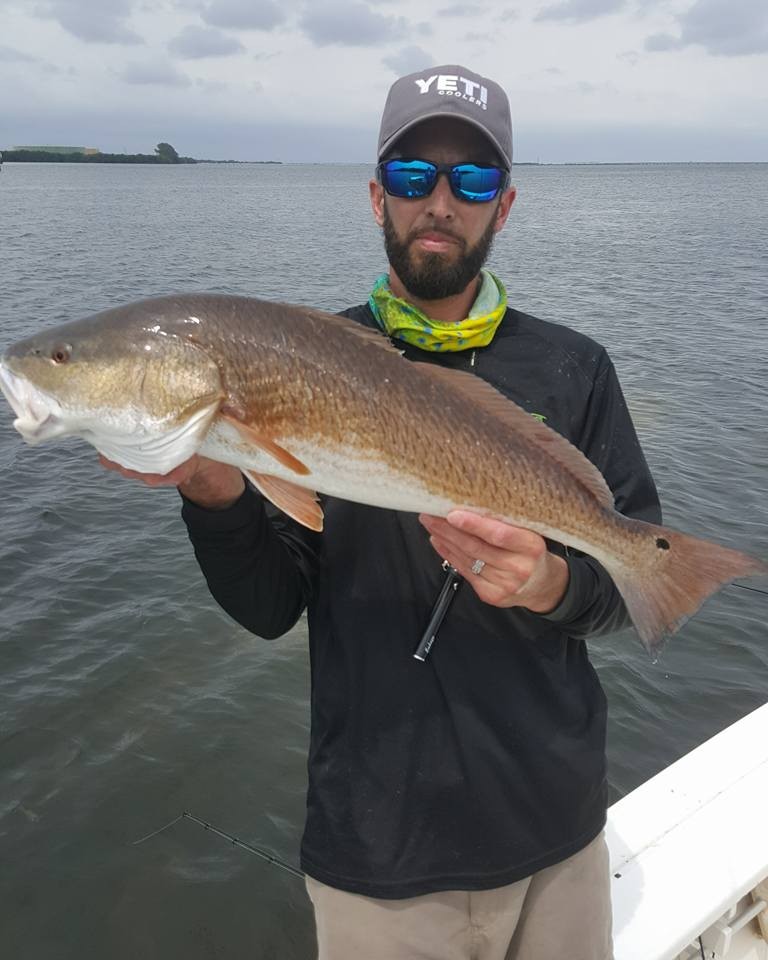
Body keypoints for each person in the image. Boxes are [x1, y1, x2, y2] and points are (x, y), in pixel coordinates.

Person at [102, 65, 660, 960]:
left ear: (503, 208)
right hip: (379, 844)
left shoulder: (576, 369)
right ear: (376, 197)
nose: (440, 201)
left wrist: (552, 581)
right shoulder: (296, 359)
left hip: (555, 828)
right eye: (412, 176)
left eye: (470, 180)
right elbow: (271, 606)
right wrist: (215, 492)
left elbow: (628, 584)